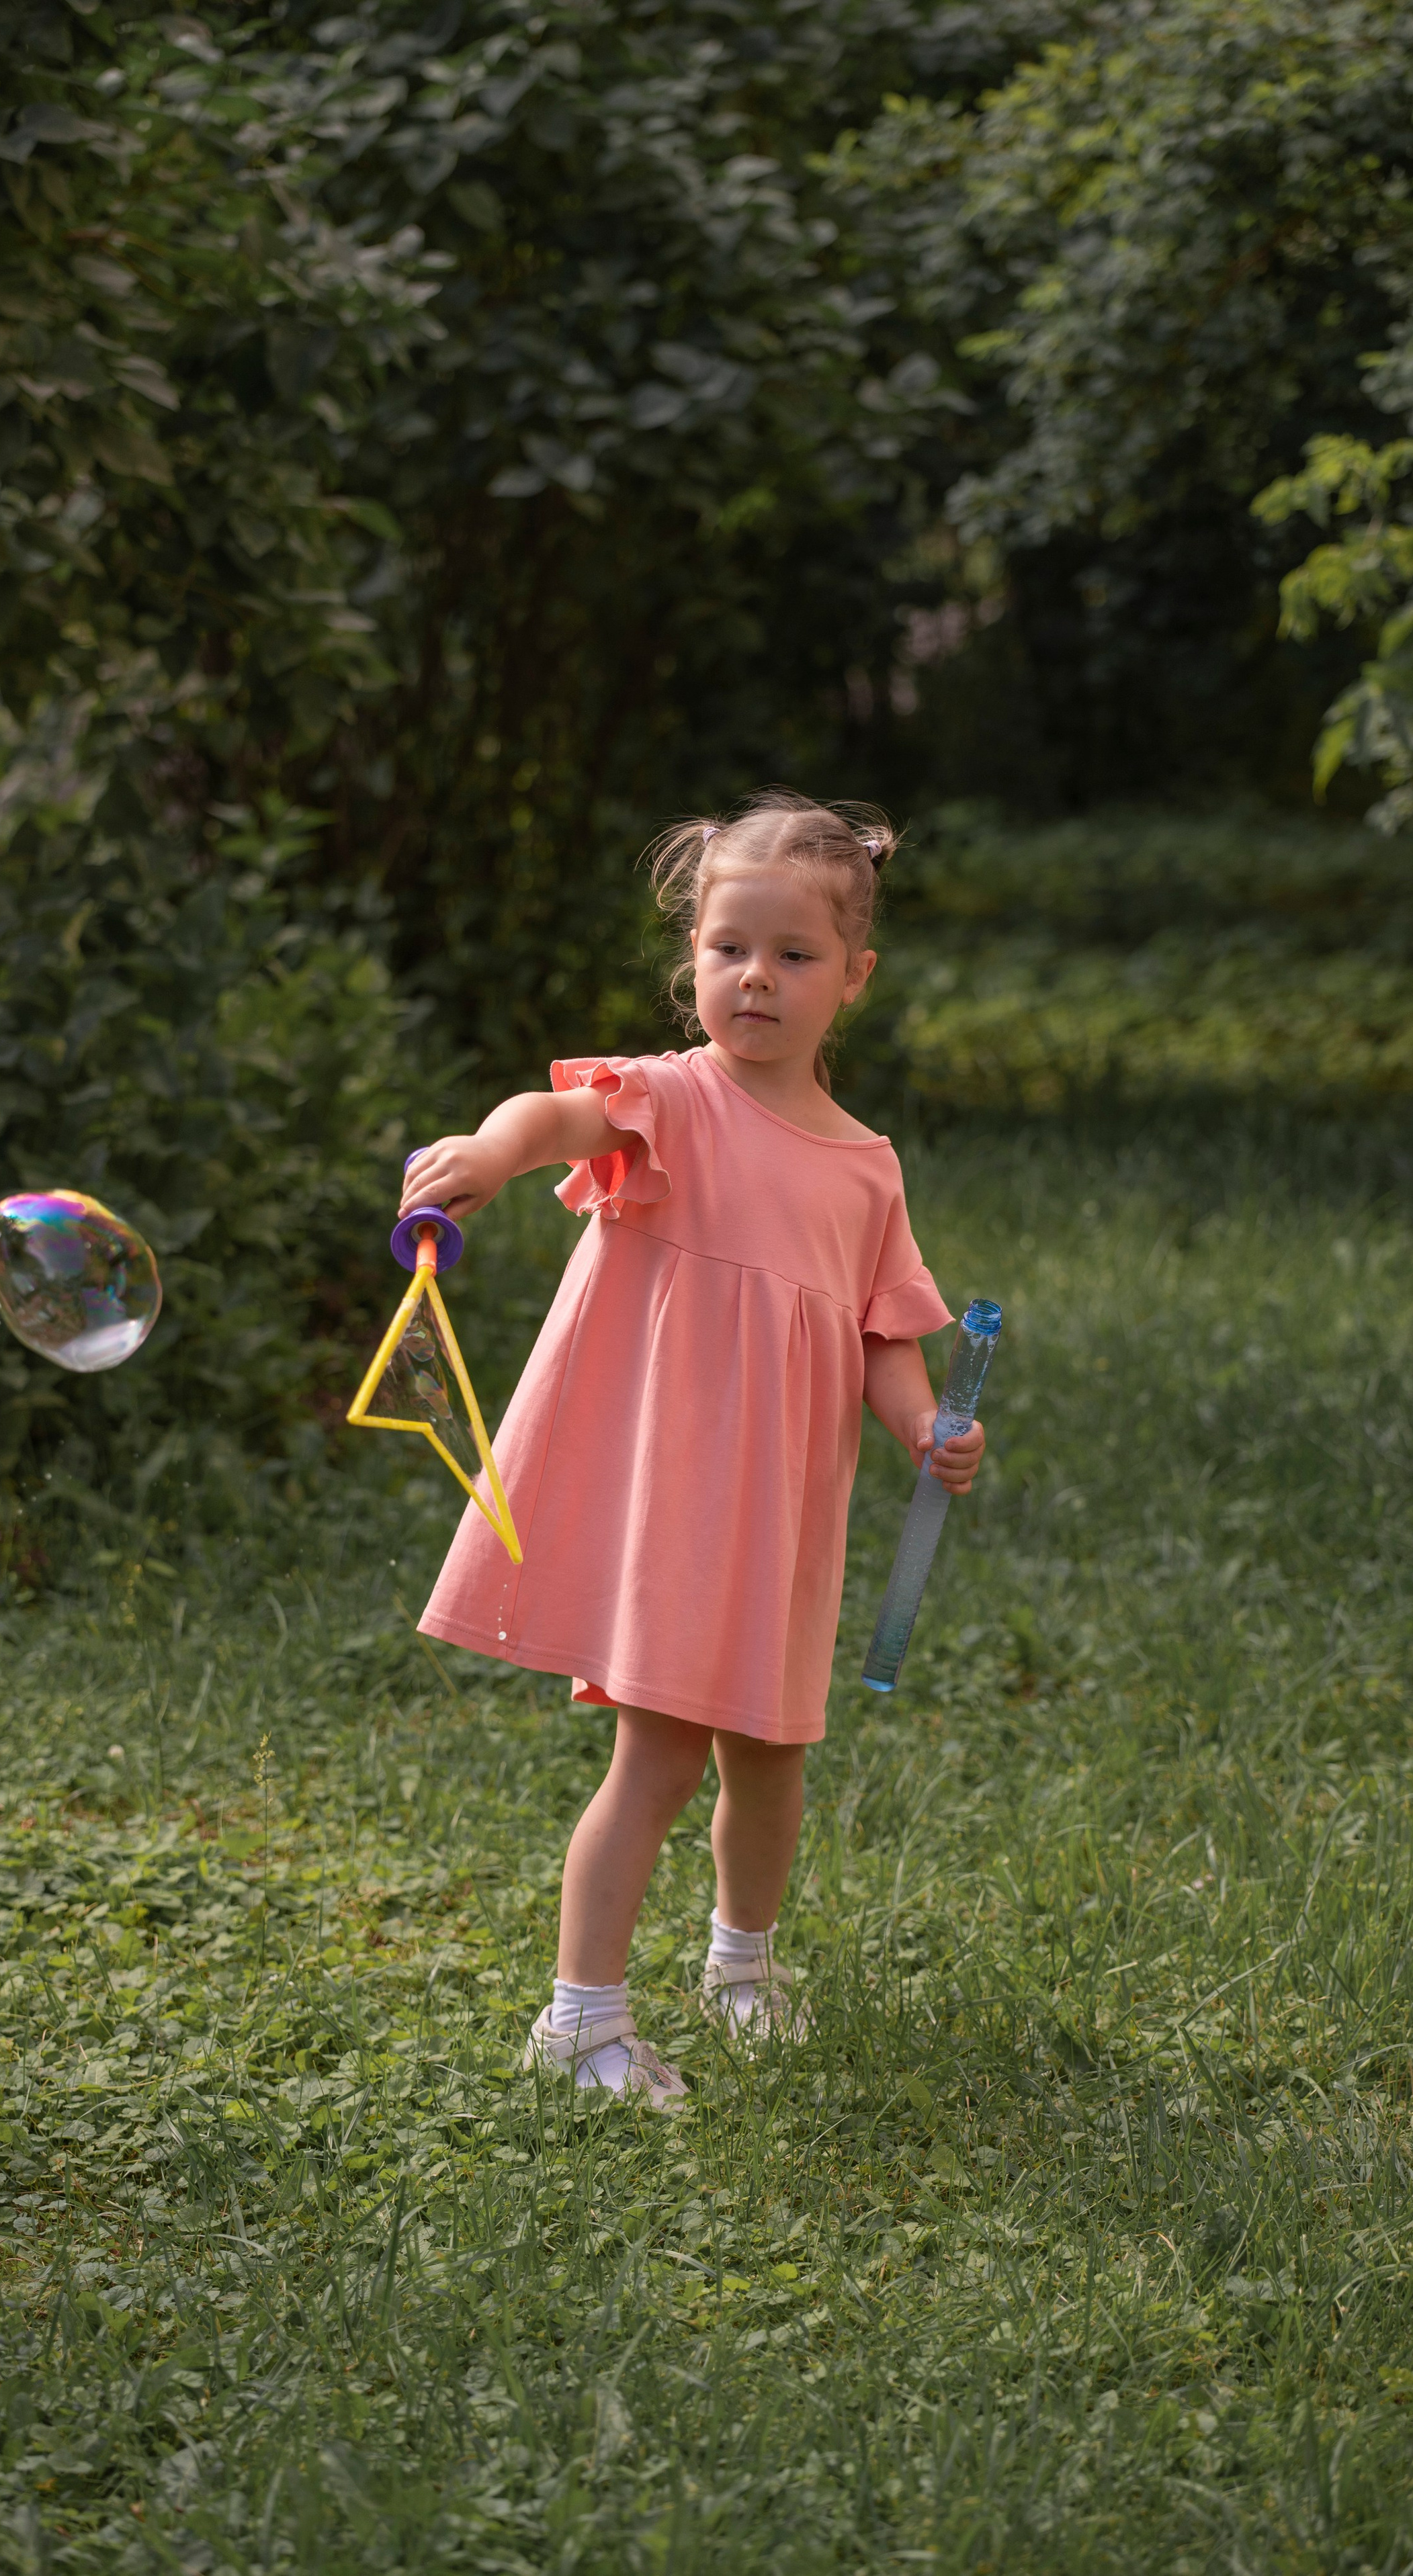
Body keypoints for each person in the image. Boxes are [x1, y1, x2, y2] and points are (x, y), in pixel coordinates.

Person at [399, 790, 986, 2103]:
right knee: (656, 1757)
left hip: (778, 1520)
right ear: (692, 962)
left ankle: (740, 1966)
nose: (754, 979)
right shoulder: (674, 1101)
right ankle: (580, 2021)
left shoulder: (864, 1167)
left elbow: (879, 1330)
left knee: (769, 1760)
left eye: (791, 955)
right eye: (727, 949)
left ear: (853, 980)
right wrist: (489, 1157)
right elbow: (553, 1117)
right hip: (676, 1506)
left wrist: (922, 1424)